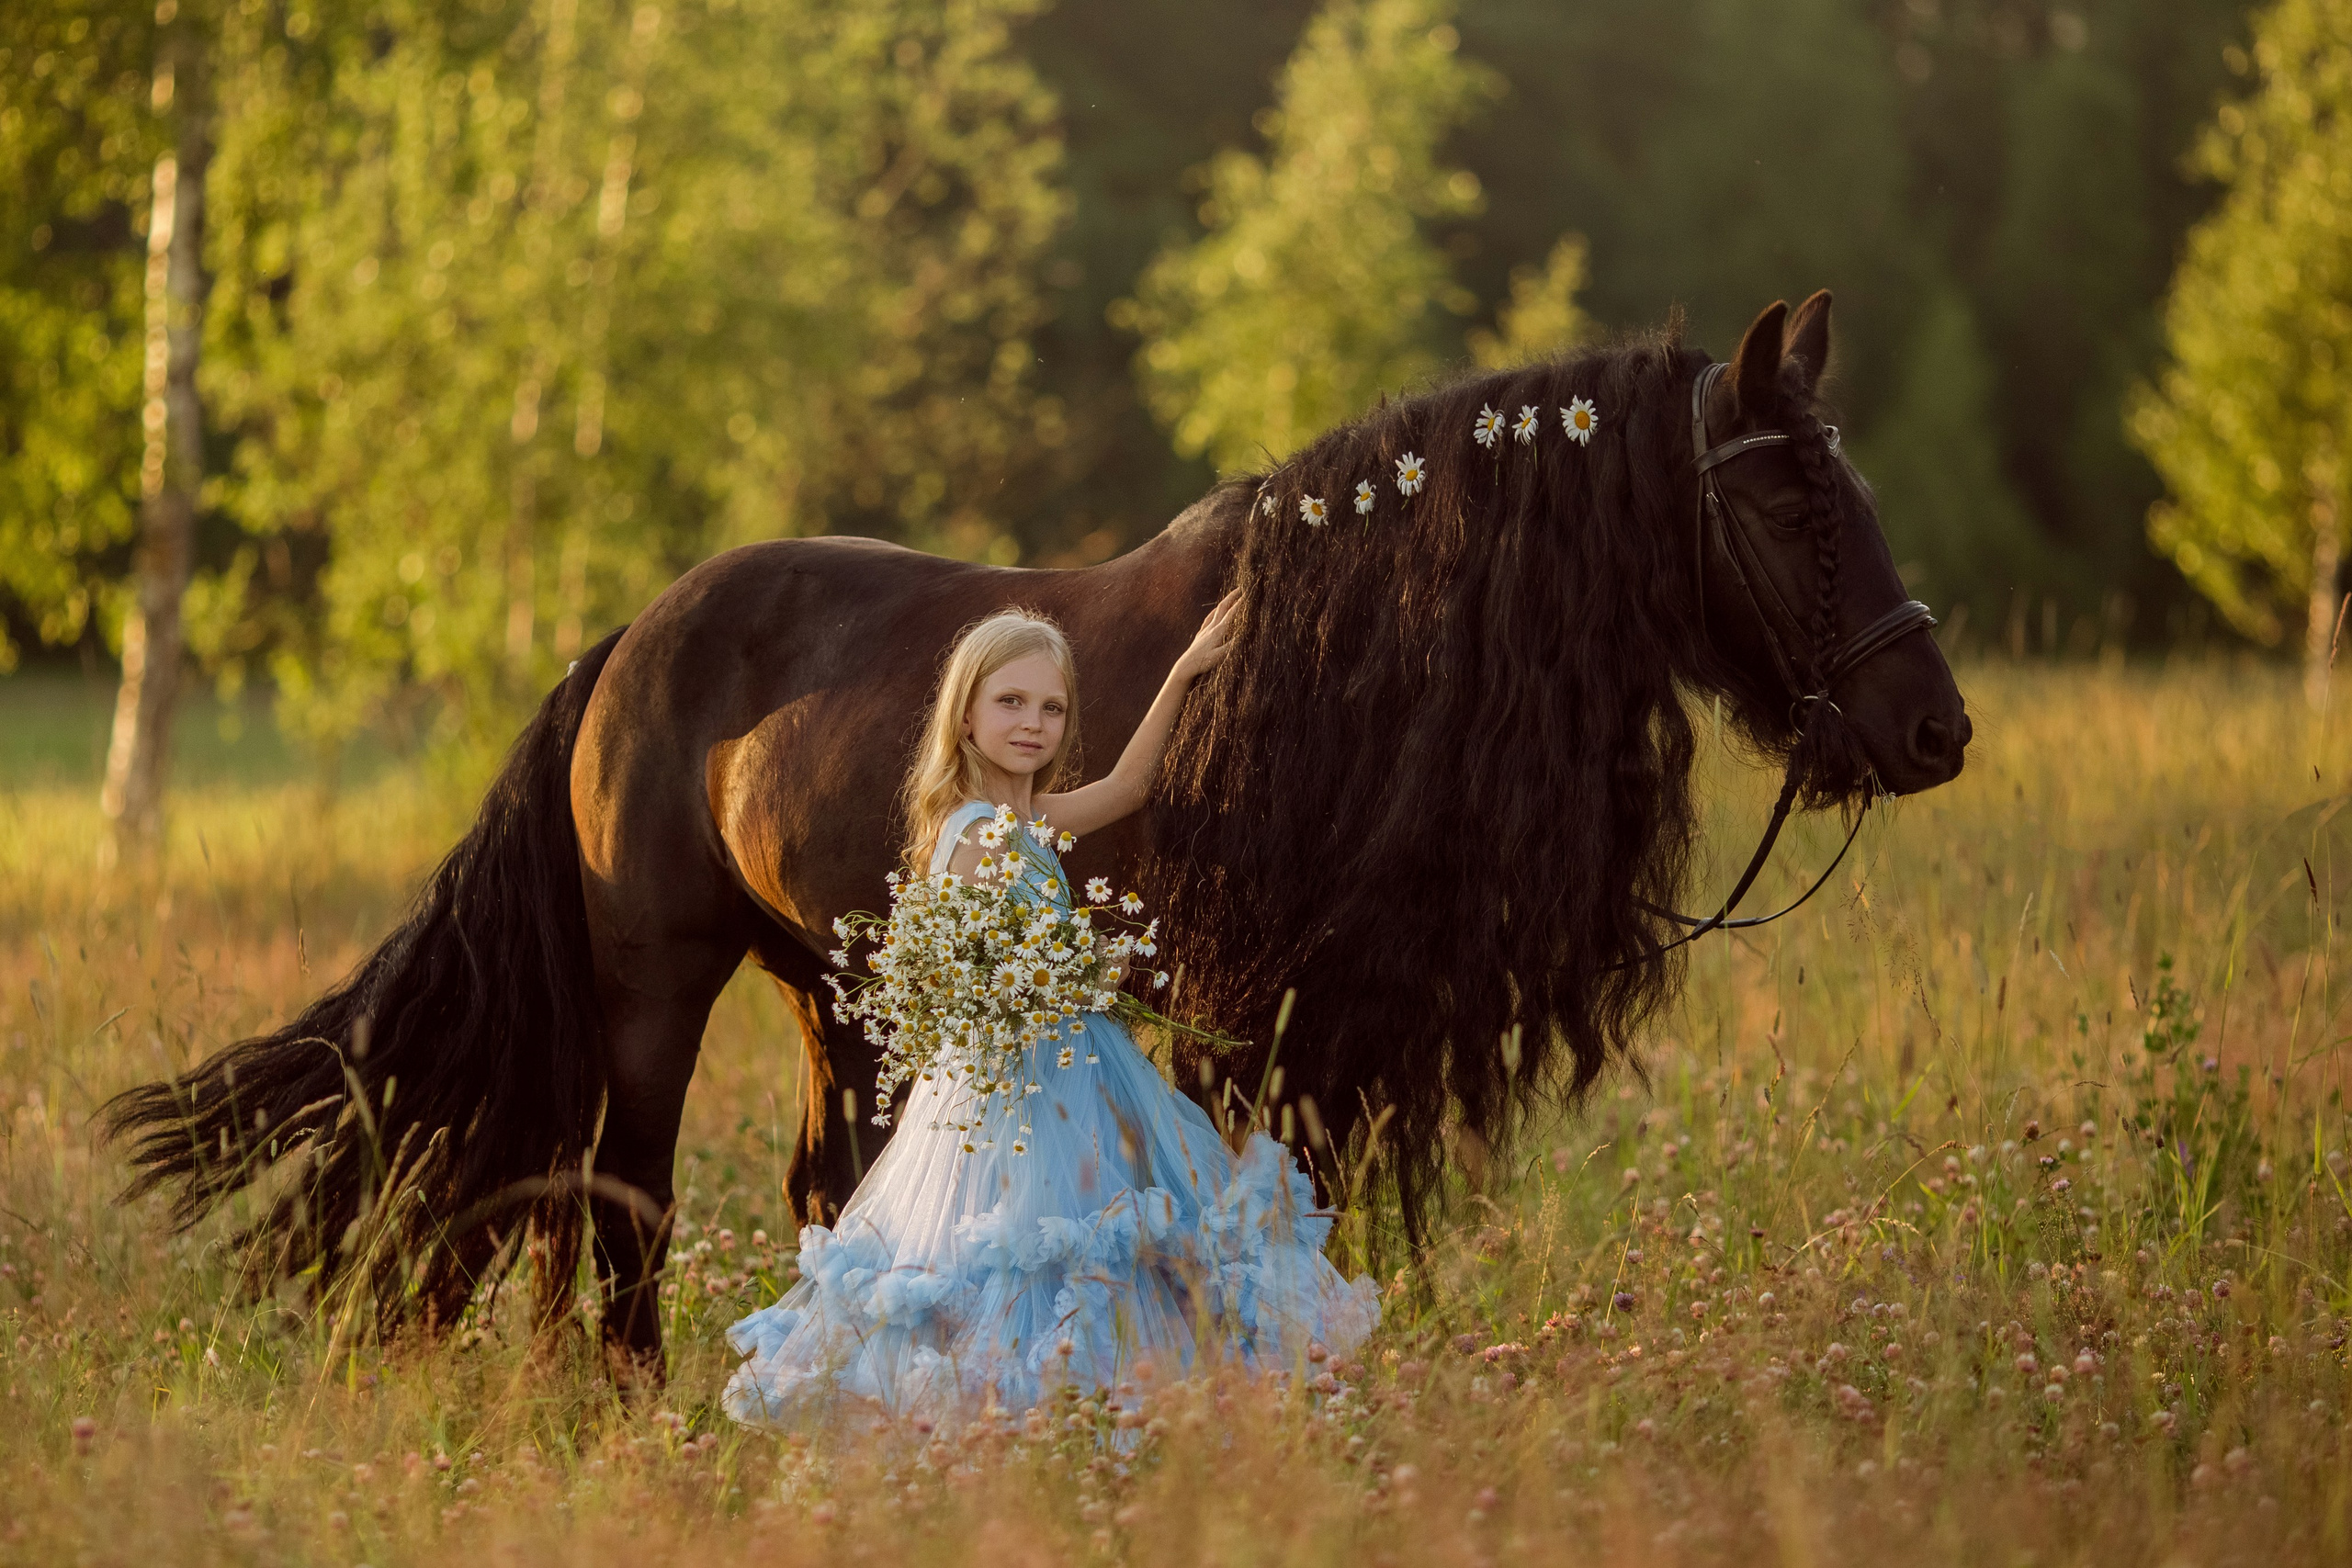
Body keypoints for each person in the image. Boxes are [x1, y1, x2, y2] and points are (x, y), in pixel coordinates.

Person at [723, 599, 1378, 1427]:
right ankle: (1041, 1414)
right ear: (965, 716)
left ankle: (1095, 1408)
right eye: (1011, 702)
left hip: (1069, 1066)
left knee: (1085, 1248)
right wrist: (1089, 968)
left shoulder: (1018, 819)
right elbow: (989, 980)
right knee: (1036, 1251)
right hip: (1022, 1091)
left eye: (1051, 707)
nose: (1033, 723)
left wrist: (1183, 672)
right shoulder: (976, 836)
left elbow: (1128, 787)